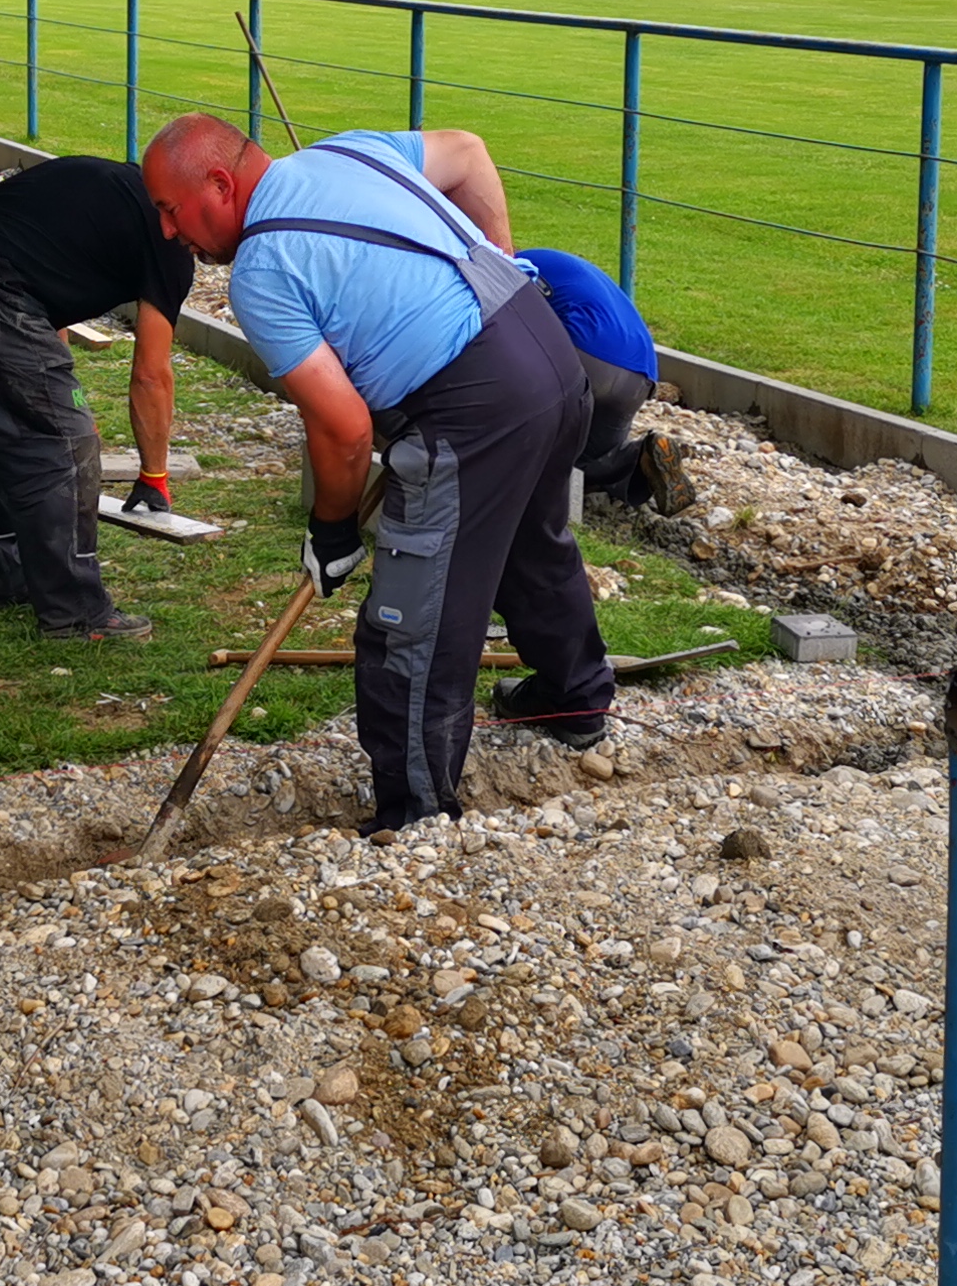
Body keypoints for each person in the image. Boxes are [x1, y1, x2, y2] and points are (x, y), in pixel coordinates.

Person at [142, 115, 615, 830]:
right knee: (528, 541)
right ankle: (574, 695)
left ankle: (415, 816)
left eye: (172, 211)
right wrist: (497, 266)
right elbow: (471, 150)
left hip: (473, 404)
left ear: (219, 182)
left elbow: (344, 427)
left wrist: (332, 531)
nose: (170, 232)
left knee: (413, 622)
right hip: (547, 352)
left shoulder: (265, 270)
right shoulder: (347, 151)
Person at [0, 151, 190, 641]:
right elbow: (151, 376)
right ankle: (76, 612)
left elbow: (42, 279)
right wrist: (153, 475)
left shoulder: (99, 182)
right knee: (65, 442)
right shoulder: (171, 244)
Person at [515, 244, 694, 513]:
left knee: (527, 429)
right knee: (593, 458)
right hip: (639, 374)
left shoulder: (511, 266)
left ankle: (543, 497)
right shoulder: (556, 261)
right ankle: (640, 458)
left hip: (588, 356)